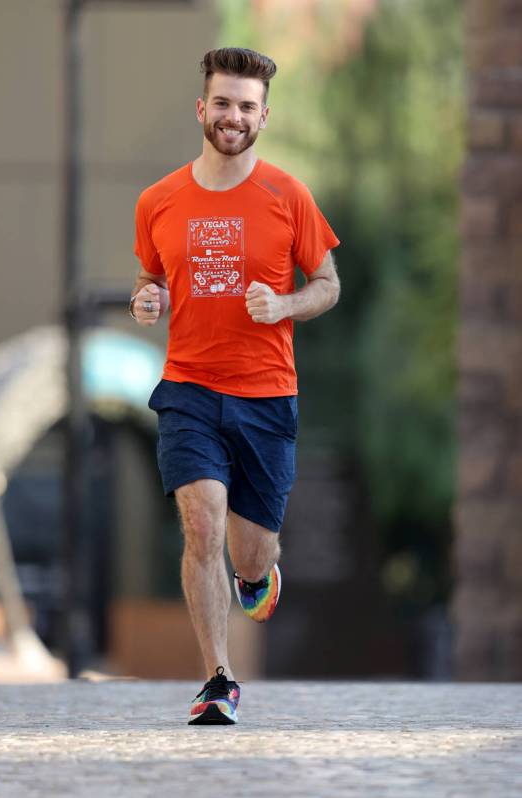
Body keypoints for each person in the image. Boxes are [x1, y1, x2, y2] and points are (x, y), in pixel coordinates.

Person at [130, 47, 340, 725]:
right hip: (188, 386)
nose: (233, 116)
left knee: (248, 548)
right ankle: (217, 677)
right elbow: (152, 276)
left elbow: (328, 285)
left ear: (263, 117)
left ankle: (257, 576)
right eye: (222, 103)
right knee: (201, 525)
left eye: (246, 107)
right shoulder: (158, 200)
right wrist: (147, 298)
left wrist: (283, 306)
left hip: (265, 395)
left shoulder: (287, 195)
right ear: (202, 108)